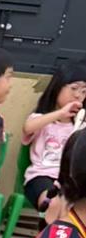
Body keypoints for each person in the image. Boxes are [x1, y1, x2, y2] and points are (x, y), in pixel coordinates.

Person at [20, 62, 86, 223]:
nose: (78, 96)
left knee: (72, 205)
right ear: (57, 88)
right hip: (41, 177)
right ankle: (50, 234)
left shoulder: (82, 126)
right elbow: (28, 127)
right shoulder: (41, 119)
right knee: (54, 203)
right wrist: (60, 114)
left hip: (70, 182)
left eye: (84, 91)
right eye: (74, 88)